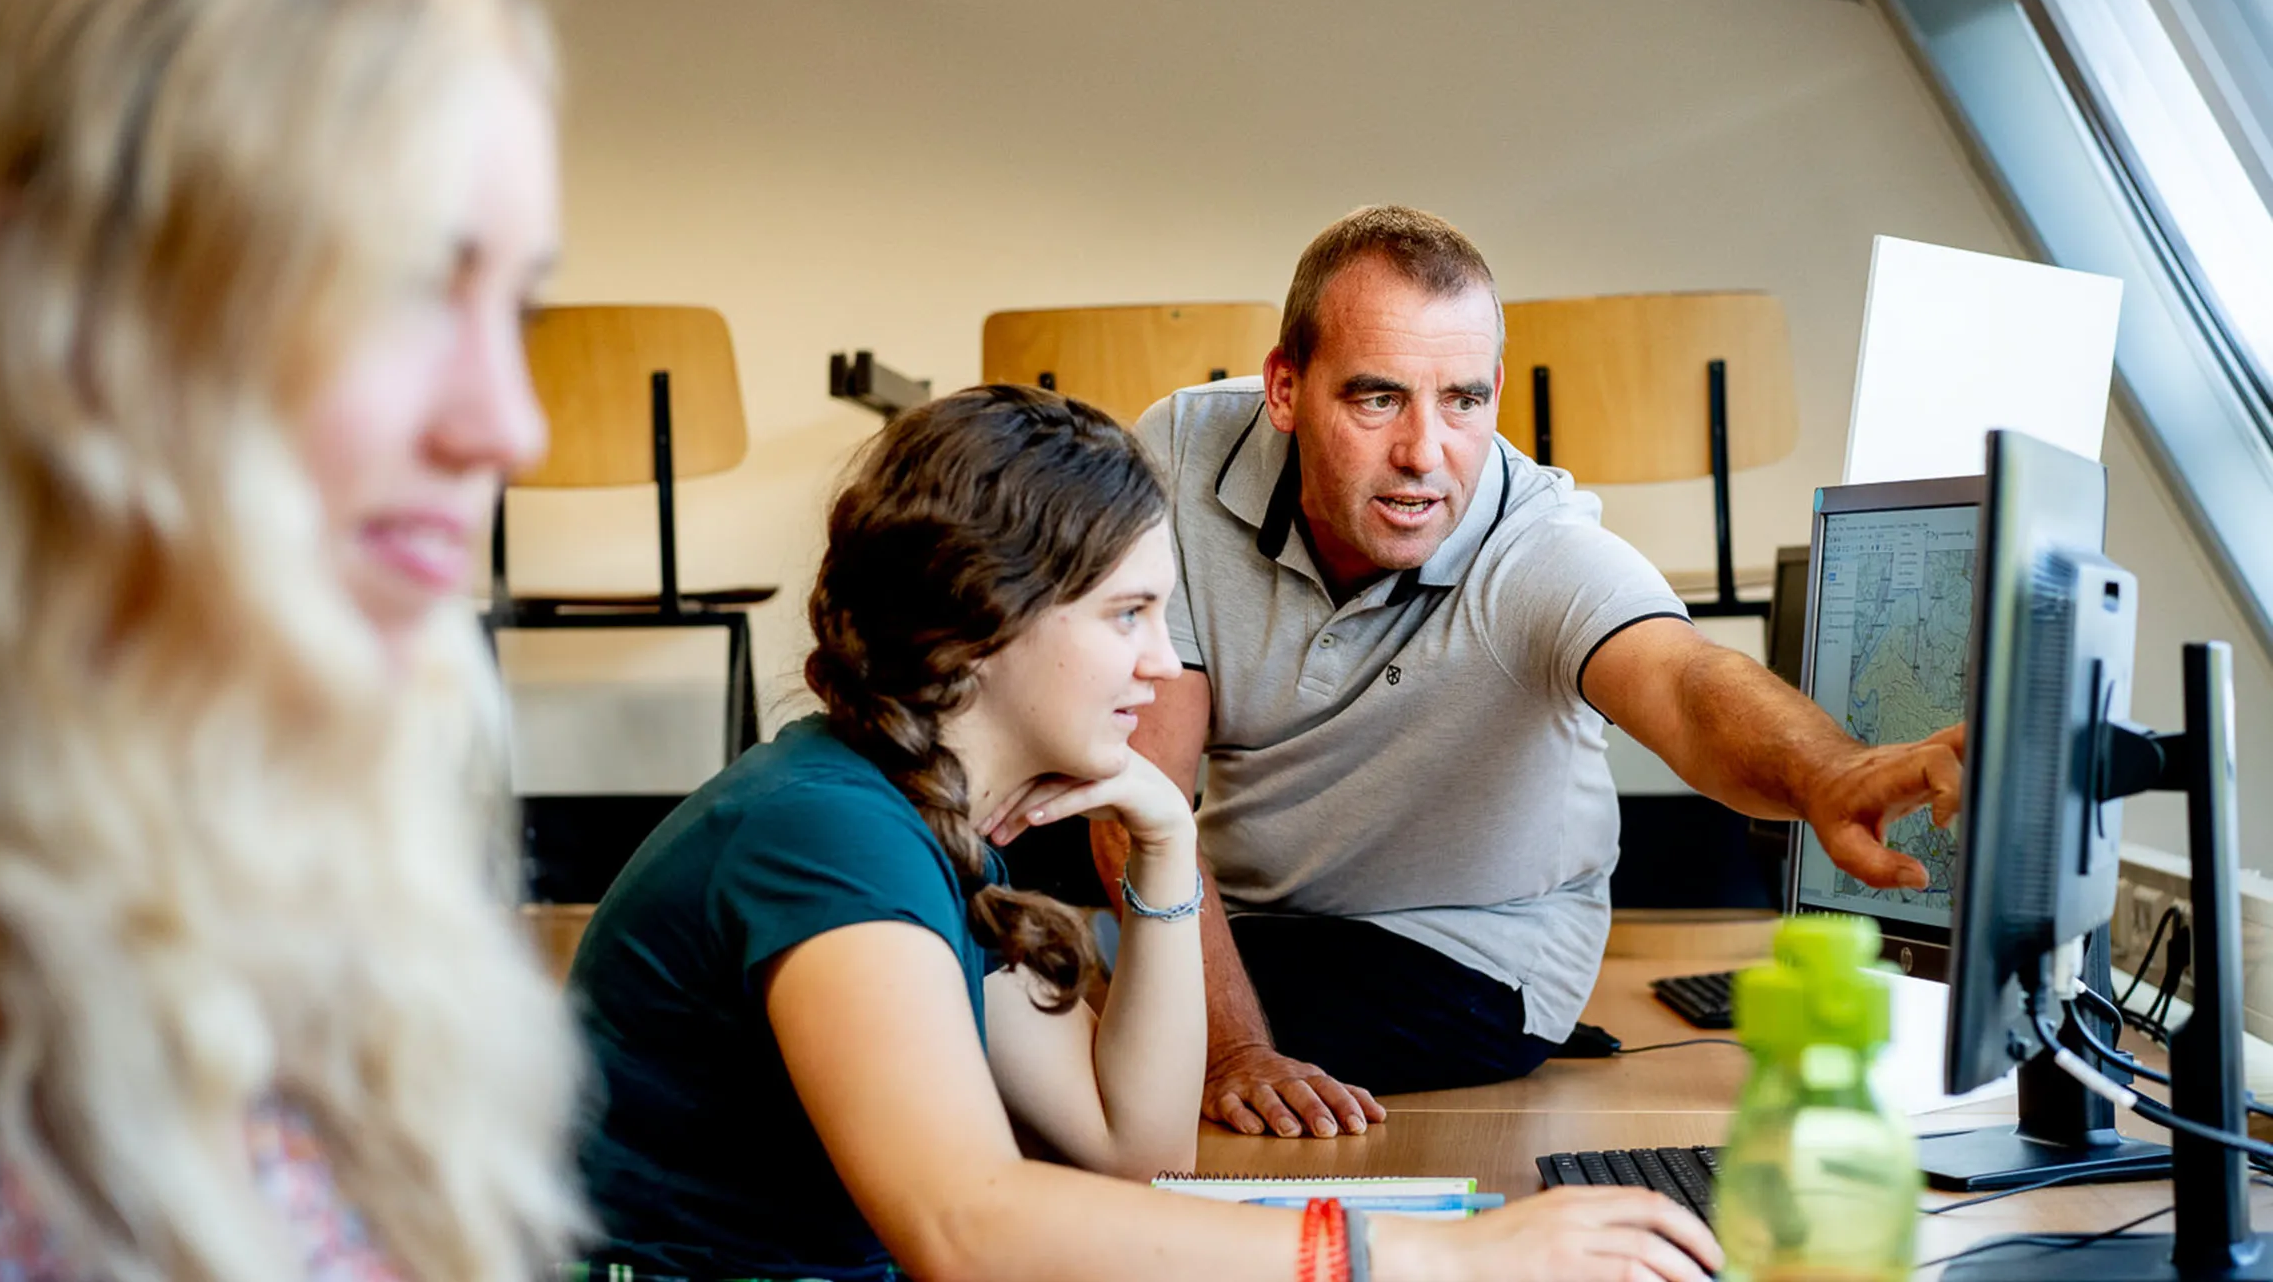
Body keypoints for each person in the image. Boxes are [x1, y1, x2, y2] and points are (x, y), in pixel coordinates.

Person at [567, 385, 1723, 1282]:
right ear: (983, 620)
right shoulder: (822, 836)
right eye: (1126, 613)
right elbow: (964, 1226)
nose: (1162, 663)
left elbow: (1134, 1139)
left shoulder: (912, 822)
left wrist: (1166, 844)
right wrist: (1435, 1256)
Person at [1097, 205, 1966, 1140]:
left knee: (1053, 1011)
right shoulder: (1186, 451)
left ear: (1496, 394)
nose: (1424, 454)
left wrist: (1828, 771)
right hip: (1257, 917)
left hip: (1461, 951)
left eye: (1464, 400)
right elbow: (1138, 800)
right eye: (1377, 397)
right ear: (1284, 388)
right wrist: (1227, 1043)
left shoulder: (1533, 543)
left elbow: (1685, 682)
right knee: (1013, 941)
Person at [0, 0, 585, 1278]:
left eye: (519, 308)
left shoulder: (324, 852)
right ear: (89, 314)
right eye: (414, 283)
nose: (511, 425)